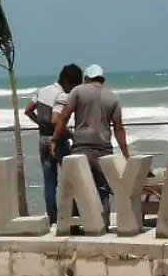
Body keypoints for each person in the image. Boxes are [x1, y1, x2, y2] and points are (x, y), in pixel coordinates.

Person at [53, 64, 129, 214]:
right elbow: (119, 128)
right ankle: (104, 220)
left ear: (86, 78)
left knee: (77, 186)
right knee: (102, 187)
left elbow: (64, 116)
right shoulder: (113, 97)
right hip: (104, 149)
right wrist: (126, 154)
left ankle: (73, 223)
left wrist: (55, 139)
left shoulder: (78, 91)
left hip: (81, 147)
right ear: (103, 79)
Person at [25, 63, 83, 222]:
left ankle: (53, 218)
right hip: (57, 141)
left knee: (49, 181)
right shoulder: (61, 95)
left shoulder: (42, 90)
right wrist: (70, 134)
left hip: (42, 138)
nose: (73, 90)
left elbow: (28, 109)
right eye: (73, 85)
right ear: (67, 81)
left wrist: (39, 123)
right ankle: (76, 213)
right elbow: (56, 119)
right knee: (73, 177)